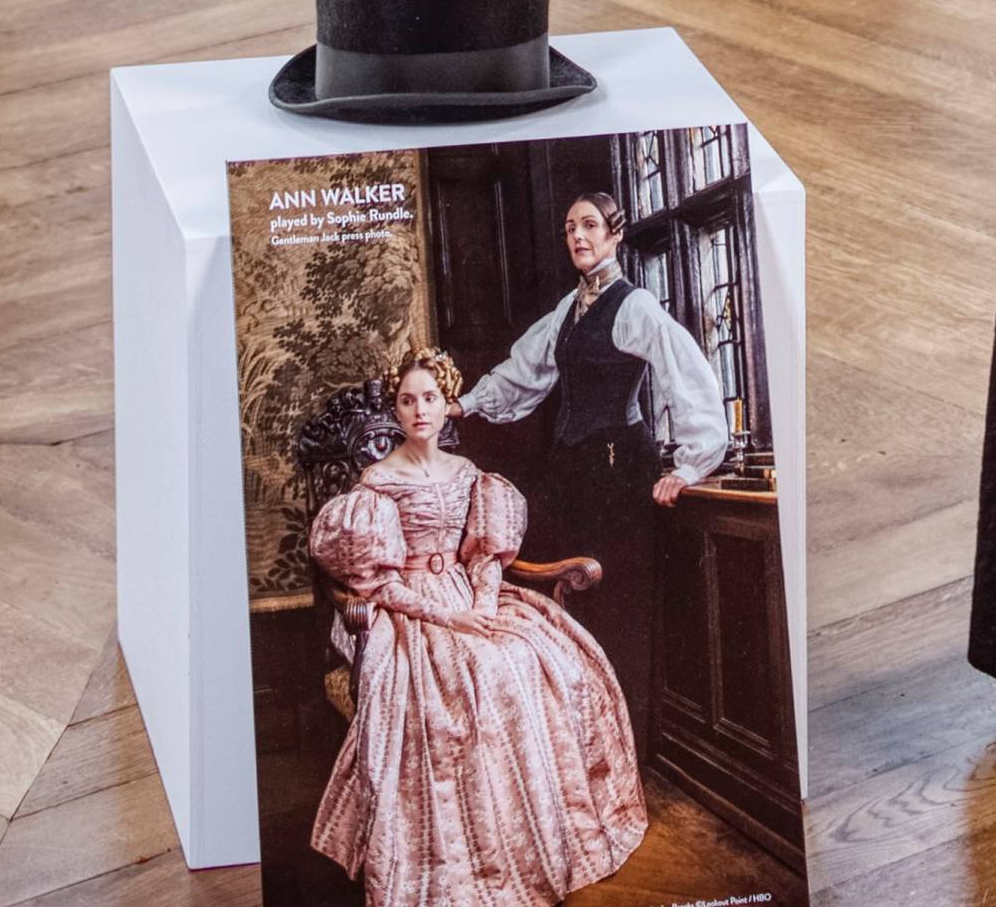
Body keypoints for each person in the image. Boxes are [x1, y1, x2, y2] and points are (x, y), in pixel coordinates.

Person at [308, 350, 646, 907]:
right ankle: (465, 862)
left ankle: (543, 837)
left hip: (472, 597)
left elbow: (484, 558)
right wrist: (448, 616)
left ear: (446, 406)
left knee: (545, 660)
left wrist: (483, 605)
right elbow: (375, 584)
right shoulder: (377, 482)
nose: (420, 410)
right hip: (409, 610)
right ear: (397, 409)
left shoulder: (468, 475)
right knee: (474, 672)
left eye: (430, 398)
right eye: (408, 400)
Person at [457, 191, 728, 754]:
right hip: (572, 471)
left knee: (618, 607)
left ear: (614, 235)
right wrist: (466, 404)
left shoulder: (635, 306)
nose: (578, 237)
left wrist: (689, 465)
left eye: (589, 226)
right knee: (570, 604)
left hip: (619, 474)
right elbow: (523, 371)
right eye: (569, 228)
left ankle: (625, 752)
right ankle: (578, 745)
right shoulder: (568, 309)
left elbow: (688, 375)